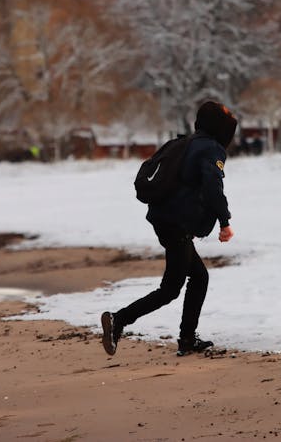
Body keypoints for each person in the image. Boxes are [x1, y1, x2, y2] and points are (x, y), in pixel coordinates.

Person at [101, 100, 237, 357]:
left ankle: (187, 339)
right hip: (177, 224)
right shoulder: (210, 149)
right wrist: (224, 221)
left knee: (198, 277)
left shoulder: (183, 143)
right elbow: (212, 187)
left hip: (164, 219)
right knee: (171, 288)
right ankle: (118, 320)